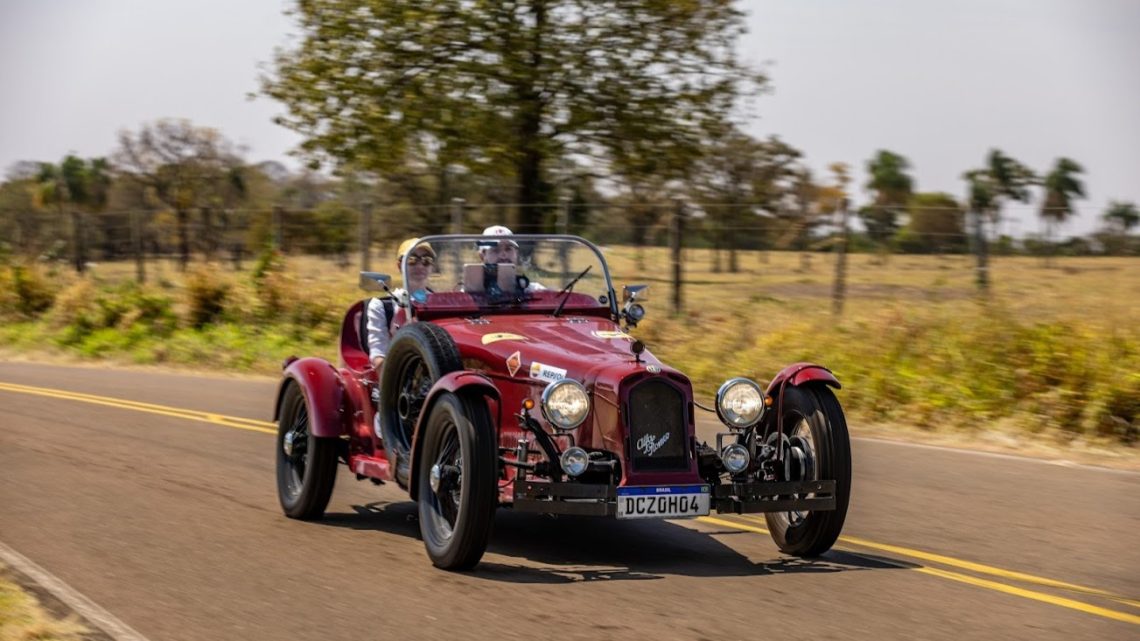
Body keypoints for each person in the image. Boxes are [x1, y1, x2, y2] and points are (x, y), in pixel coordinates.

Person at [366, 238, 434, 370]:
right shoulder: (382, 306)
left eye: (426, 260)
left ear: (432, 266)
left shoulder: (442, 302)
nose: (420, 266)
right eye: (412, 260)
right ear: (399, 266)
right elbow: (378, 358)